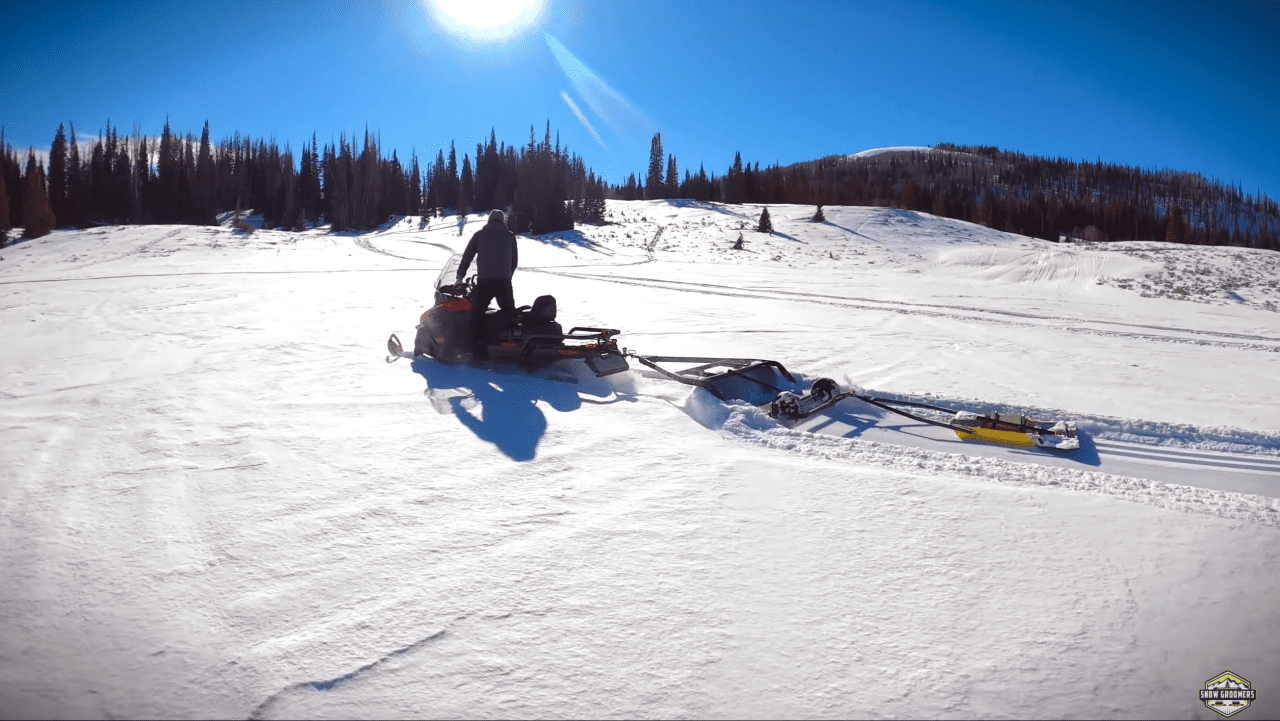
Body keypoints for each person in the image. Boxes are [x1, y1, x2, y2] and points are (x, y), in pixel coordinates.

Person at [456, 209, 519, 359]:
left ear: (489, 221)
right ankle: (513, 346)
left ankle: (473, 349)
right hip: (504, 282)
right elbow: (514, 261)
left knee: (476, 314)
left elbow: (467, 256)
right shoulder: (510, 237)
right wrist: (507, 275)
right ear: (503, 221)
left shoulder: (480, 235)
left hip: (485, 282)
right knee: (511, 313)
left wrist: (459, 277)